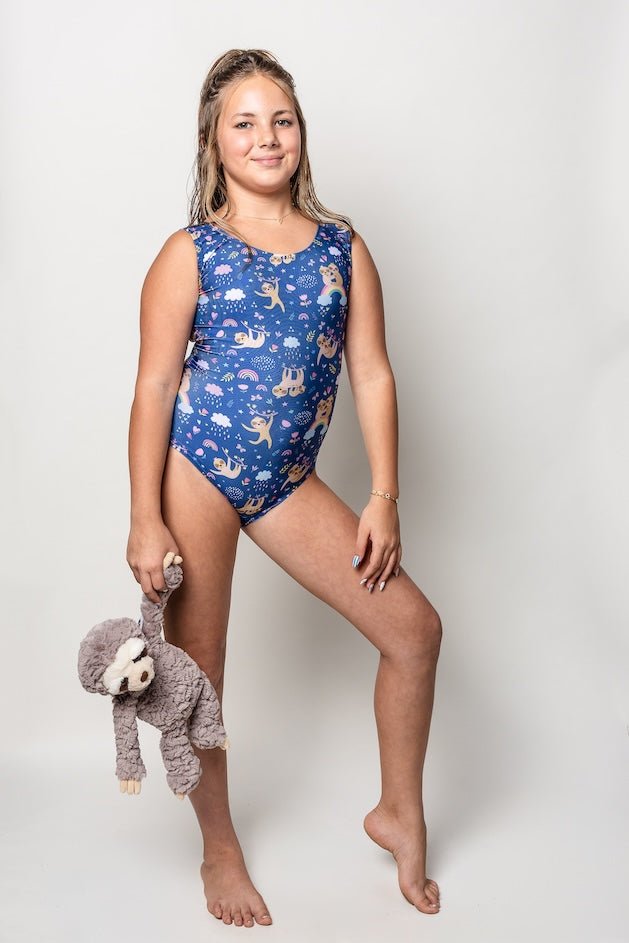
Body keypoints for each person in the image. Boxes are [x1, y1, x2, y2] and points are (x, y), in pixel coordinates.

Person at [126, 48, 442, 928]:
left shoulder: (342, 247)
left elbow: (372, 372)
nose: (266, 137)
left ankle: (399, 813)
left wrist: (383, 494)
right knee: (200, 681)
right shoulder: (191, 252)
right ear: (213, 143)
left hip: (286, 478)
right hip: (198, 467)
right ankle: (218, 849)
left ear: (301, 134)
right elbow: (153, 387)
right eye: (244, 122)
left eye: (282, 120)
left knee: (413, 631)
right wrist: (145, 516)